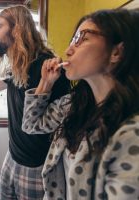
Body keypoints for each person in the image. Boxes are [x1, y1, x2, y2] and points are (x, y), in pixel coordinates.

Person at [22, 9, 139, 199]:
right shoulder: (73, 105)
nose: (68, 50)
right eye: (73, 39)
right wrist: (46, 83)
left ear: (117, 52)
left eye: (82, 38)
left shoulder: (131, 134)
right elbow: (31, 124)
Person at [0, 5, 70, 199]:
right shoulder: (17, 66)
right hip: (12, 157)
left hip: (35, 166)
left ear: (17, 29)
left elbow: (58, 123)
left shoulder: (47, 67)